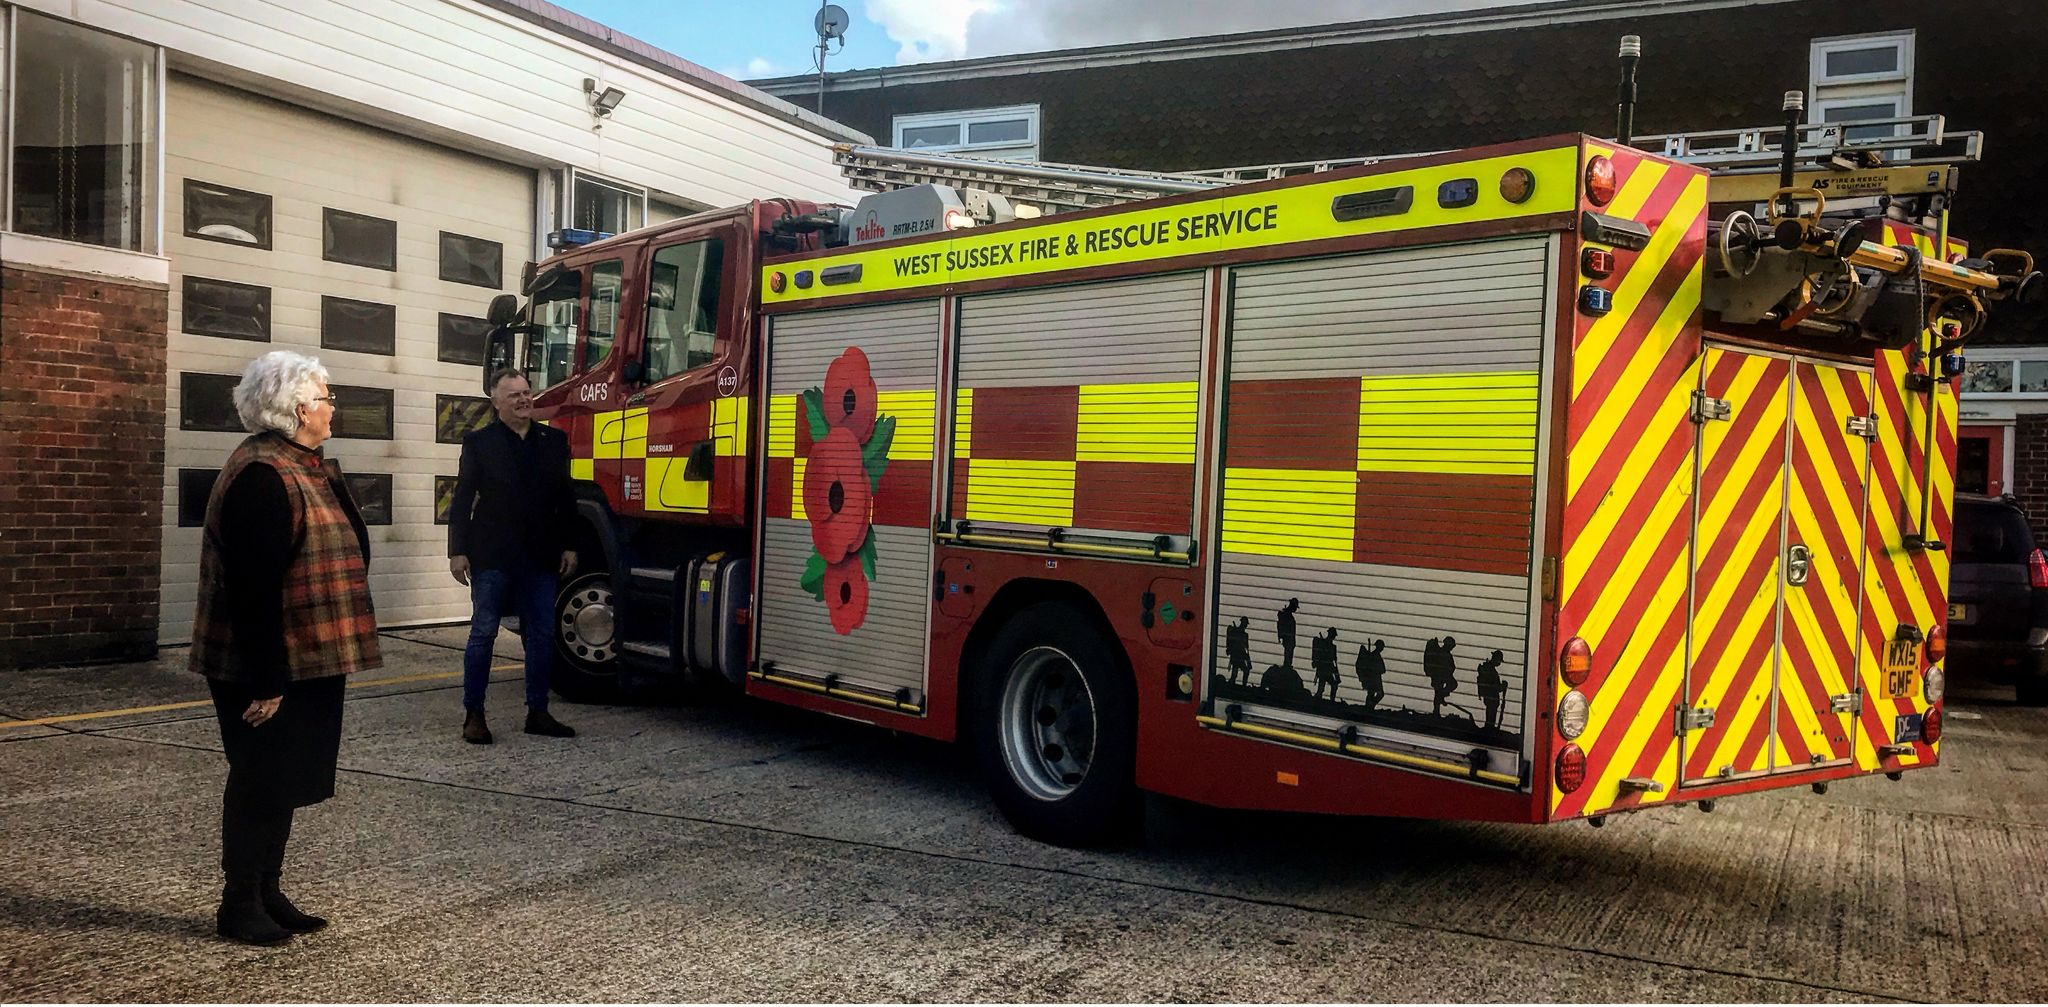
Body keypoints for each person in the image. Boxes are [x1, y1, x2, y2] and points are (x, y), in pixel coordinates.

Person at [189, 350, 381, 945]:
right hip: (271, 662)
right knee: (259, 778)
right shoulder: (262, 475)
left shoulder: (297, 462)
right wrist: (266, 678)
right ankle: (238, 902)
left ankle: (268, 892)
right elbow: (252, 588)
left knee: (284, 779)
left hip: (308, 655)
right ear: (300, 409)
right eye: (327, 397)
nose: (332, 407)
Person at [447, 369, 578, 744]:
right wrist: (457, 551)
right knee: (483, 633)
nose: (524, 400)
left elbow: (565, 498)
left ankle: (538, 712)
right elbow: (461, 501)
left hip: (540, 556)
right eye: (514, 395)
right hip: (491, 555)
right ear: (496, 402)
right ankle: (474, 715)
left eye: (526, 392)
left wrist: (569, 544)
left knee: (541, 634)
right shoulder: (479, 442)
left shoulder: (554, 441)